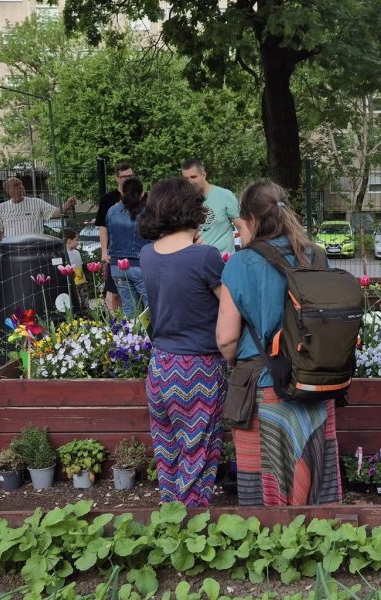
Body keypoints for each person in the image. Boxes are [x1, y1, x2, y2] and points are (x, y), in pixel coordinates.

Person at [215, 180, 342, 506]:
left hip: (263, 389)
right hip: (314, 387)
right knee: (315, 487)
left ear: (252, 220)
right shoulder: (315, 255)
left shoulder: (241, 263)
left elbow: (226, 338)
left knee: (263, 493)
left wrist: (239, 361)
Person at [138, 177, 227, 507]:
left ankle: (170, 522)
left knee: (168, 452)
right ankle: (192, 532)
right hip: (199, 369)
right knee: (197, 456)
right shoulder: (206, 257)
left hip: (160, 367)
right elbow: (229, 309)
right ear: (192, 209)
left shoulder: (147, 254)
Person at [0, 176, 76, 260]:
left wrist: (67, 205)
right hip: (13, 253)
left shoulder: (36, 202)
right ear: (8, 190)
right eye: (16, 185)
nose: (21, 186)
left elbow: (55, 213)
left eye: (21, 184)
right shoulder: (2, 207)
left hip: (36, 251)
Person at [105, 177, 149, 318]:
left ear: (122, 193)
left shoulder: (112, 211)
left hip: (117, 266)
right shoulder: (148, 212)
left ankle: (133, 337)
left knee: (129, 310)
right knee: (151, 308)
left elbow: (109, 235)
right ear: (142, 194)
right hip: (141, 265)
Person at [95, 161, 134, 311]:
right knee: (114, 293)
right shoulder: (107, 199)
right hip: (115, 253)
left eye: (131, 176)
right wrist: (104, 251)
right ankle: (118, 328)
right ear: (117, 178)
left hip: (136, 253)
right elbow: (102, 227)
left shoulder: (142, 197)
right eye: (124, 177)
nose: (128, 179)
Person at [181, 158, 241, 255]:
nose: (190, 182)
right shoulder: (182, 200)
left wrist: (246, 258)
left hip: (222, 261)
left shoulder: (225, 195)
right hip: (195, 260)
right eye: (186, 179)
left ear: (203, 174)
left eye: (193, 177)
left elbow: (242, 228)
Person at [63, 228, 89, 311]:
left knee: (85, 300)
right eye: (76, 240)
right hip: (73, 283)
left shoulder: (76, 252)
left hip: (82, 281)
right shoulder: (64, 254)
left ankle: (87, 315)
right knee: (76, 301)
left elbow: (80, 266)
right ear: (69, 240)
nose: (77, 242)